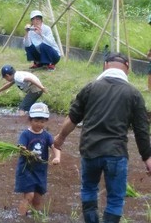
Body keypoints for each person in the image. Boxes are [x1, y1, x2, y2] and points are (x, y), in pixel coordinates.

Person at [53, 52, 151, 223]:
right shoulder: (134, 94)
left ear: (105, 65)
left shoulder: (90, 88)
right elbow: (141, 131)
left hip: (90, 151)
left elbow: (72, 119)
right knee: (115, 199)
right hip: (116, 154)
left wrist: (60, 138)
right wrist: (148, 158)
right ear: (127, 68)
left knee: (89, 190)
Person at [14, 102, 61, 216]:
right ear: (30, 120)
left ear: (46, 121)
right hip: (26, 170)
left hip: (40, 171)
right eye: (36, 121)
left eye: (42, 121)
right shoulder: (25, 134)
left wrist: (57, 157)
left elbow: (55, 146)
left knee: (38, 198)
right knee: (29, 196)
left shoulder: (47, 135)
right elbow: (21, 147)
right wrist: (26, 151)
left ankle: (36, 217)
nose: (39, 124)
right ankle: (21, 217)